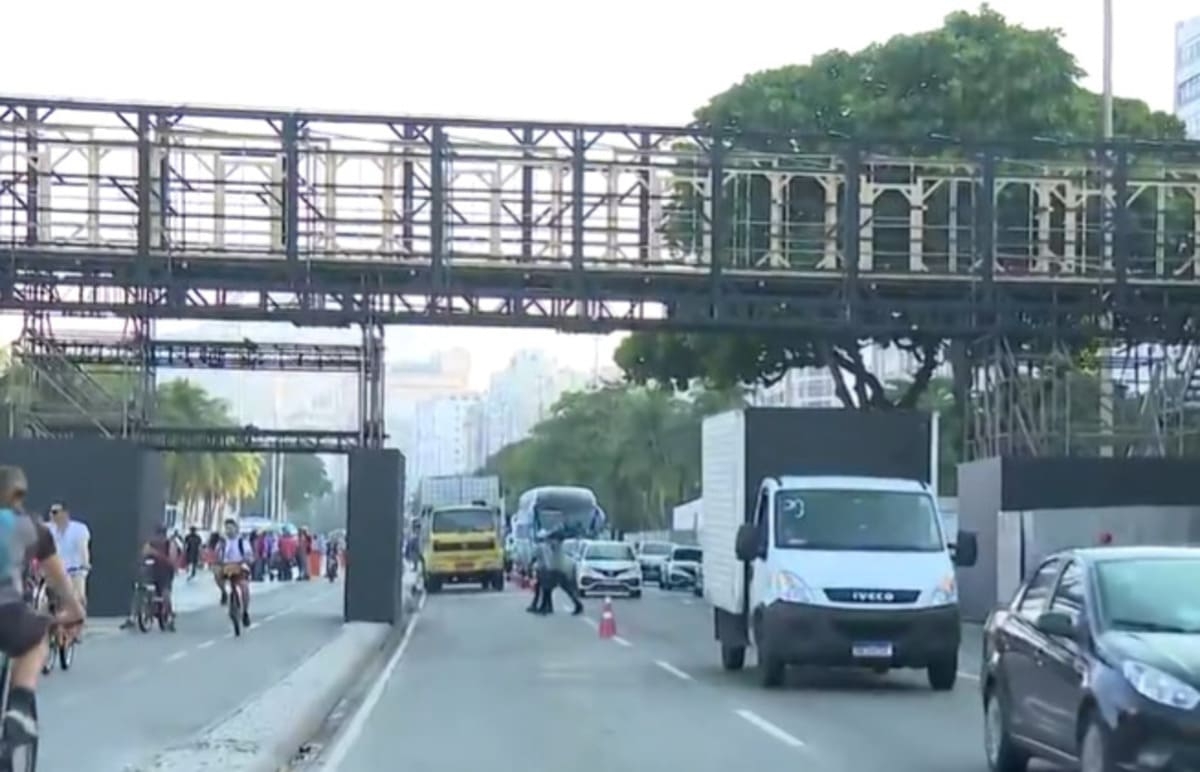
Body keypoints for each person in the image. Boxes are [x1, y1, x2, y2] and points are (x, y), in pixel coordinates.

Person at [0, 467, 85, 749]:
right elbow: (57, 576)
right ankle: (19, 708)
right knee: (35, 637)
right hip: (6, 611)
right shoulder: (27, 526)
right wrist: (74, 610)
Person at [47, 503, 90, 610]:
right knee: (54, 596)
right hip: (57, 569)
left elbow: (83, 548)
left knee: (79, 595)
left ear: (64, 514)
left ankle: (80, 616)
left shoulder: (79, 529)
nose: (52, 516)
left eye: (55, 512)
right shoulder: (48, 529)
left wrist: (85, 563)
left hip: (75, 569)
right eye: (51, 513)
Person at [215, 519, 252, 628]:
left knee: (244, 588)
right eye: (227, 528)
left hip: (239, 566)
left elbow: (249, 554)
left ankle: (245, 612)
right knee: (217, 574)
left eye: (231, 528)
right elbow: (217, 555)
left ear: (236, 529)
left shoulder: (242, 541)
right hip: (226, 566)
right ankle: (224, 592)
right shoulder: (222, 542)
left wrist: (247, 559)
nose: (229, 531)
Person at [141, 525, 177, 631]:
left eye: (161, 535)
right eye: (157, 534)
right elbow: (144, 553)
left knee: (165, 595)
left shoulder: (170, 544)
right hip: (152, 571)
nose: (159, 537)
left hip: (165, 572)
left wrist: (156, 554)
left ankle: (169, 616)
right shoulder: (150, 543)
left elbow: (172, 560)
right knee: (144, 589)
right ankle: (140, 613)